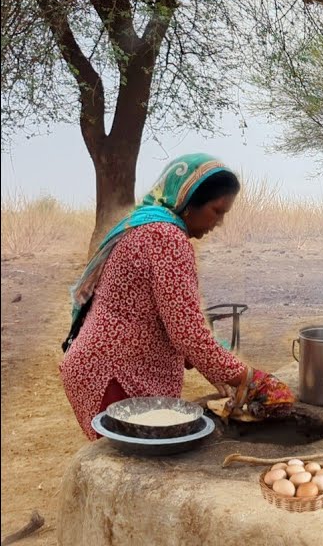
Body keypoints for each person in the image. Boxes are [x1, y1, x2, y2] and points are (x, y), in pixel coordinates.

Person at [59, 154, 293, 440]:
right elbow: (188, 333)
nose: (218, 223)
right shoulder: (165, 238)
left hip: (102, 364)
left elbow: (171, 319)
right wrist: (251, 379)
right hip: (116, 373)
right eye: (217, 211)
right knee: (135, 465)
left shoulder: (145, 226)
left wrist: (216, 369)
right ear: (188, 201)